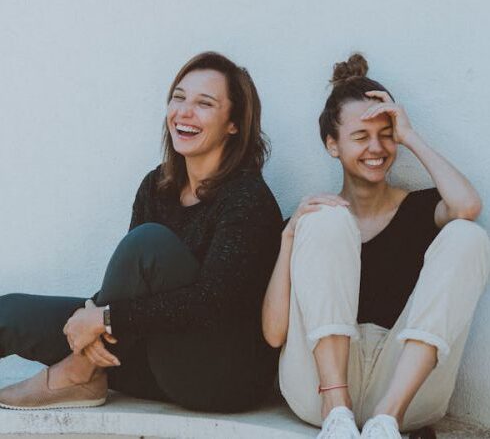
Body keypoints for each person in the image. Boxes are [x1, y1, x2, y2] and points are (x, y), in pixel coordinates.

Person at [0, 51, 283, 412]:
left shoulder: (247, 198)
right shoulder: (157, 186)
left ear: (234, 123)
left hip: (217, 376)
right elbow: (128, 285)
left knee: (148, 243)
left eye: (204, 103)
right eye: (178, 97)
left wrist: (103, 317)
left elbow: (213, 302)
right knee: (7, 314)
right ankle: (86, 367)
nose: (184, 111)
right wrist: (93, 320)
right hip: (146, 358)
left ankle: (80, 374)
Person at [262, 54, 490, 438]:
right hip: (317, 391)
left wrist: (410, 135)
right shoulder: (313, 221)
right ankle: (338, 411)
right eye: (360, 136)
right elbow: (273, 334)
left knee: (468, 234)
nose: (376, 147)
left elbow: (467, 206)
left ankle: (386, 420)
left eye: (386, 134)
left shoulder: (420, 209)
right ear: (332, 145)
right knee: (326, 217)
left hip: (403, 390)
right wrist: (289, 239)